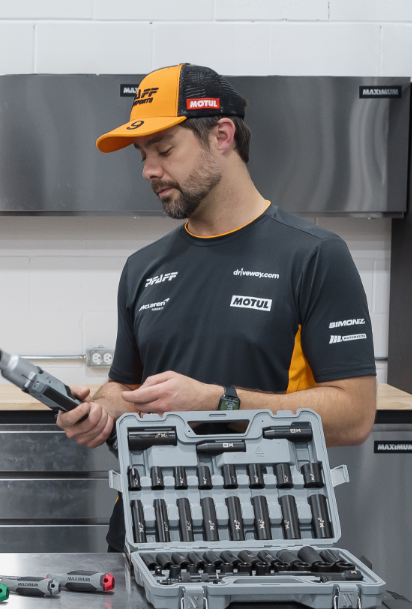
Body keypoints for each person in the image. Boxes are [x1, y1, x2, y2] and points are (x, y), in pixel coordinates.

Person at [57, 63, 380, 551]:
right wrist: (101, 410)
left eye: (165, 149)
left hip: (268, 530)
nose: (148, 170)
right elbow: (129, 389)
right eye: (143, 155)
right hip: (146, 529)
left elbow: (354, 416)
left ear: (222, 136)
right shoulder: (143, 267)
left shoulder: (313, 255)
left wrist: (218, 402)